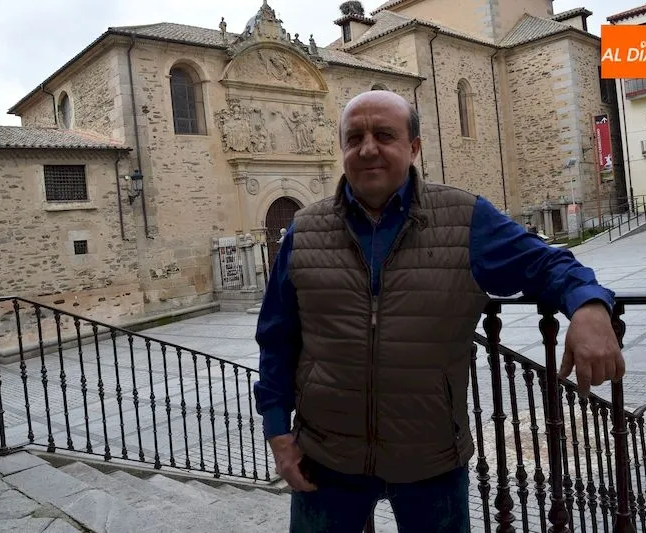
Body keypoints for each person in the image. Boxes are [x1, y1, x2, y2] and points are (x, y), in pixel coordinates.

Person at [253, 90, 625, 532]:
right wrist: (278, 432)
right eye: (354, 138)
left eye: (384, 135)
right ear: (343, 149)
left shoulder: (466, 219)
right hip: (327, 459)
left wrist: (589, 305)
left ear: (413, 147)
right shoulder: (305, 231)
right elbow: (277, 338)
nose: (368, 148)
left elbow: (547, 263)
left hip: (431, 460)